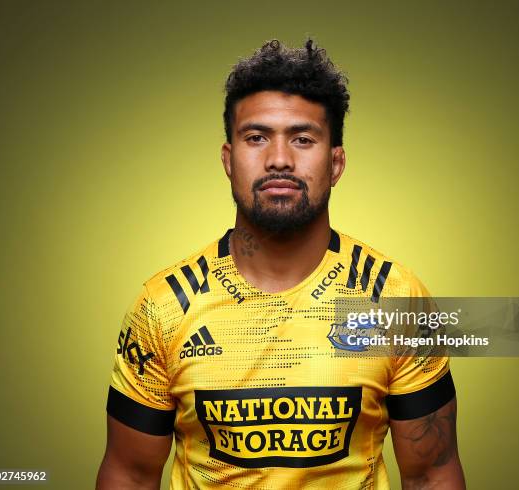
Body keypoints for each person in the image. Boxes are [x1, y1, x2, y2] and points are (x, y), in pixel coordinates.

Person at [96, 38, 465, 490]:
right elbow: (129, 475)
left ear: (336, 163)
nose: (279, 160)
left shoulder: (394, 301)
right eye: (256, 138)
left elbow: (432, 474)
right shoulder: (163, 307)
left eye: (303, 139)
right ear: (229, 160)